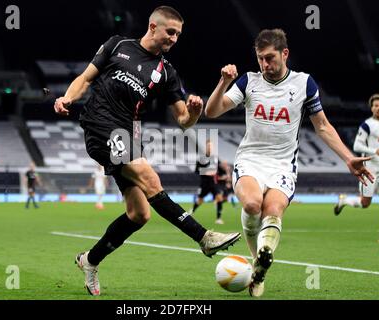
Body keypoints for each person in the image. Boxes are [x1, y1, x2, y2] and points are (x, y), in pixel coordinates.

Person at [53, 6, 240, 296]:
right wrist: (67, 97)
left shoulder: (167, 73)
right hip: (100, 125)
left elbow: (183, 121)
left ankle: (89, 260)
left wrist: (194, 111)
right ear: (153, 27)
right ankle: (204, 237)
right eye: (170, 32)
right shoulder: (118, 45)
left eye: (178, 34)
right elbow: (86, 78)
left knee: (139, 214)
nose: (175, 39)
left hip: (128, 135)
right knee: (149, 178)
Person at [205, 28, 374, 297]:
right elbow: (211, 111)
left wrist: (348, 158)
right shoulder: (249, 81)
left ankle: (261, 268)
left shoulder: (304, 84)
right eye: (260, 58)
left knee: (273, 210)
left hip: (283, 165)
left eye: (269, 58)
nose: (264, 64)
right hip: (251, 159)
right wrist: (223, 82)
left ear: (285, 53)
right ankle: (256, 260)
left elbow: (323, 127)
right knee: (251, 203)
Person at [334, 93, 379, 244]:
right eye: (376, 105)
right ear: (371, 108)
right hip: (369, 167)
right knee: (365, 203)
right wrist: (375, 151)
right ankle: (344, 201)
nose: (378, 108)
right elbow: (357, 146)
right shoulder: (367, 125)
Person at [190, 139, 225, 224]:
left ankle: (218, 218)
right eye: (209, 146)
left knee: (219, 198)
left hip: (214, 183)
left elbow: (220, 170)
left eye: (211, 146)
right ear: (206, 147)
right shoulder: (201, 159)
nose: (210, 148)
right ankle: (192, 212)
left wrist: (223, 175)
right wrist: (206, 172)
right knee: (200, 200)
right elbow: (196, 171)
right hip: (205, 183)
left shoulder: (216, 159)